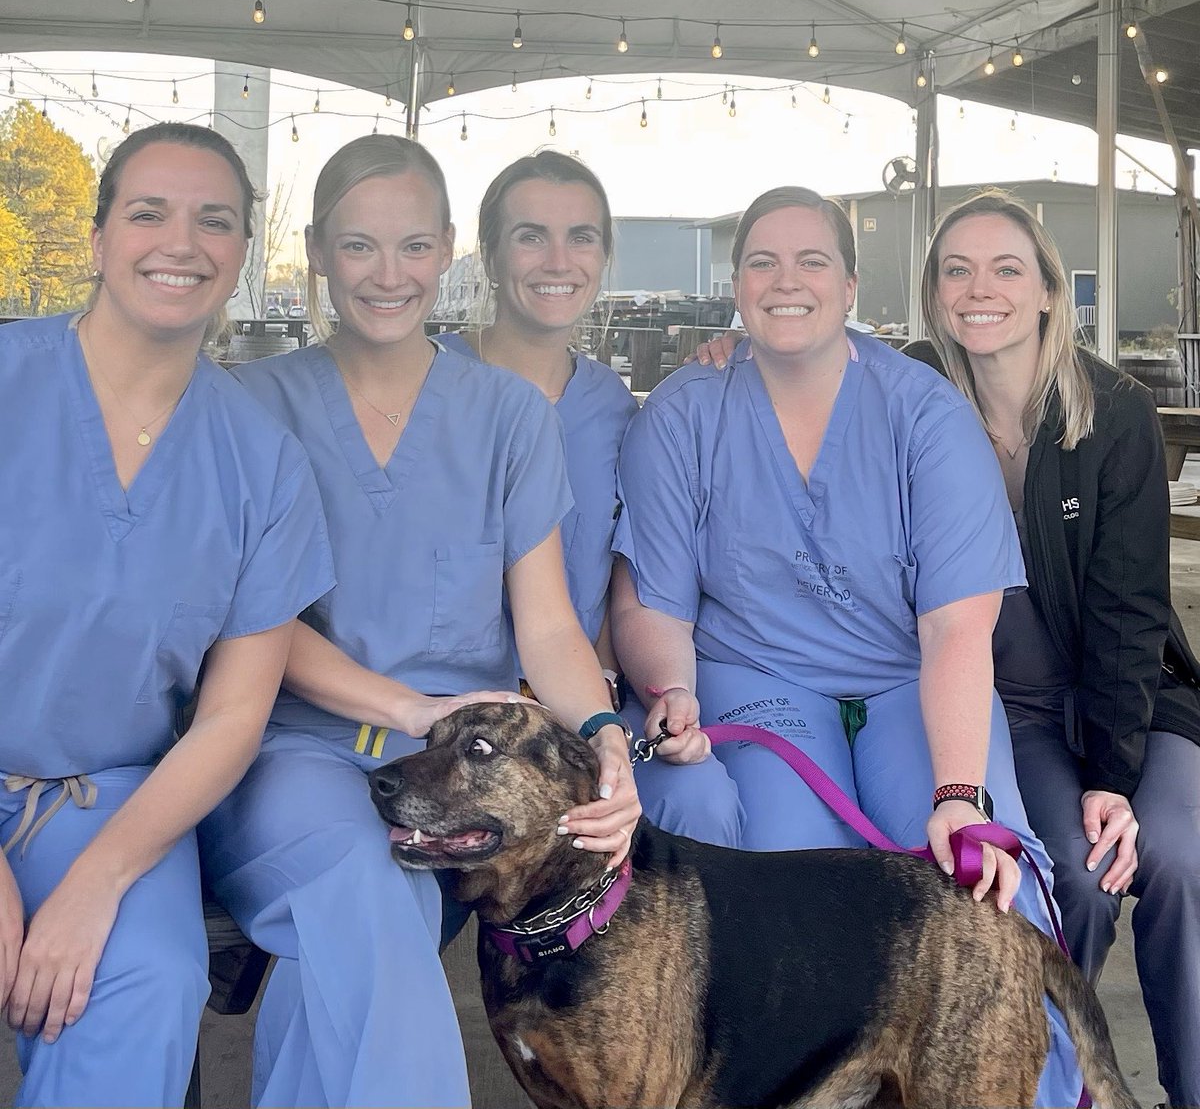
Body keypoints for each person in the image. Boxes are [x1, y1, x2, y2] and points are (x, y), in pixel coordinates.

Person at [611, 185, 1082, 1107]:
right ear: (736, 283)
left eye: (812, 260)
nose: (787, 281)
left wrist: (957, 791)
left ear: (852, 283)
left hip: (912, 682)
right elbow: (652, 599)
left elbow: (956, 624)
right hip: (759, 684)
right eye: (763, 262)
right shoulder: (684, 410)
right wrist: (670, 688)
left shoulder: (923, 412)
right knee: (795, 904)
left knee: (986, 891)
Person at [198, 135, 640, 1109]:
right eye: (358, 247)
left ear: (446, 250)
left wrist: (605, 734)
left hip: (454, 779)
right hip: (291, 758)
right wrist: (405, 705)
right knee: (369, 898)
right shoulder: (250, 404)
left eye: (411, 247)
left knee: (340, 966)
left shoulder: (511, 417)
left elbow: (549, 625)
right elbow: (251, 620)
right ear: (315, 251)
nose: (387, 276)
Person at [0, 122, 333, 1107]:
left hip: (110, 801)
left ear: (238, 257)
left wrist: (94, 886)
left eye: (214, 221)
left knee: (147, 974)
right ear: (99, 239)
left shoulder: (261, 462)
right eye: (149, 212)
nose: (180, 242)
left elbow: (233, 718)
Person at [909, 188, 1200, 1109]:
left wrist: (1114, 772)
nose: (979, 288)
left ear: (1045, 291)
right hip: (1014, 705)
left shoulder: (1113, 411)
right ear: (933, 294)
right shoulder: (912, 392)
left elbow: (1130, 611)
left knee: (1180, 861)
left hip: (1132, 695)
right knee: (1067, 875)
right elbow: (806, 370)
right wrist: (727, 354)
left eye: (1005, 268)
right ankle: (1055, 1088)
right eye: (957, 269)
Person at [439, 151, 637, 673]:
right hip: (441, 700)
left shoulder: (614, 406)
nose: (558, 261)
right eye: (531, 236)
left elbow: (615, 575)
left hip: (579, 698)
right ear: (489, 256)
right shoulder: (423, 381)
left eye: (581, 237)